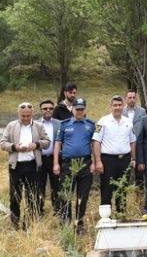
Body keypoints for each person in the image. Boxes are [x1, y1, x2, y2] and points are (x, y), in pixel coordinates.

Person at [0, 102, 51, 229]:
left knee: (32, 196)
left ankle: (28, 224)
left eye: (28, 116)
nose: (26, 118)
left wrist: (36, 145)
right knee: (15, 196)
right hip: (16, 167)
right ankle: (14, 223)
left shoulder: (38, 126)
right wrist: (14, 147)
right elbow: (3, 143)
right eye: (23, 116)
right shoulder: (11, 126)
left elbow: (47, 142)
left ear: (32, 114)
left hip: (33, 166)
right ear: (19, 114)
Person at [52, 97, 96, 233]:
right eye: (77, 109)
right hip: (68, 164)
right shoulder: (64, 124)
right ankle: (65, 222)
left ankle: (79, 223)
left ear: (85, 110)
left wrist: (94, 162)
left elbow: (94, 145)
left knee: (83, 195)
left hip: (85, 163)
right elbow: (58, 144)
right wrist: (56, 163)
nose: (79, 111)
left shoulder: (91, 125)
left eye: (82, 109)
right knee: (66, 194)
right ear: (72, 109)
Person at [92, 96, 136, 215]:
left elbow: (132, 141)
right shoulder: (103, 121)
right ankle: (106, 217)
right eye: (115, 105)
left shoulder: (128, 121)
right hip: (108, 160)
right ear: (110, 106)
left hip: (124, 159)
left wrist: (133, 158)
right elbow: (96, 142)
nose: (117, 107)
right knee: (107, 189)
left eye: (119, 105)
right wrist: (98, 161)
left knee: (122, 189)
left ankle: (121, 215)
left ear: (123, 106)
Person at [36, 99, 62, 215]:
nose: (48, 110)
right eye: (45, 108)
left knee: (56, 185)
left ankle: (57, 209)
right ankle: (39, 210)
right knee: (39, 185)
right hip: (40, 159)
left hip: (55, 159)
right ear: (41, 110)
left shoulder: (59, 124)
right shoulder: (35, 124)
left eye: (51, 108)